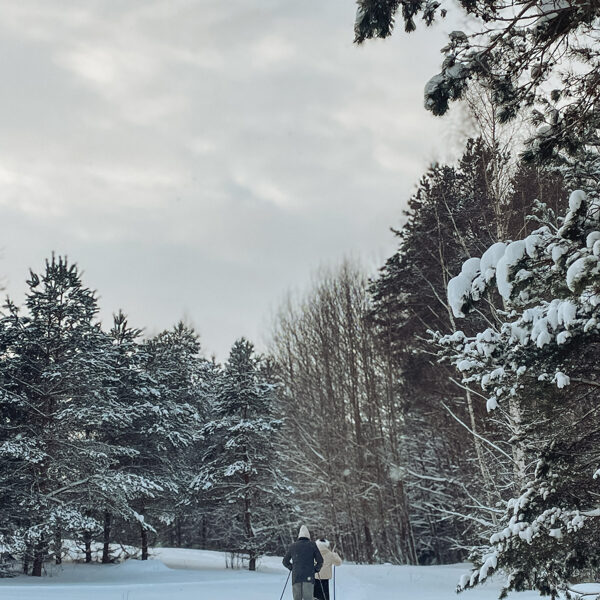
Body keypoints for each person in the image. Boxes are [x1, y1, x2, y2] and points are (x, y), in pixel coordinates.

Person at [282, 525, 323, 600]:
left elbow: (285, 561)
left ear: (299, 536)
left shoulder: (293, 546)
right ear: (308, 536)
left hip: (296, 577)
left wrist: (292, 567)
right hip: (309, 576)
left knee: (297, 598)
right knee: (308, 598)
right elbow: (320, 561)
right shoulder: (312, 545)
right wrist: (315, 569)